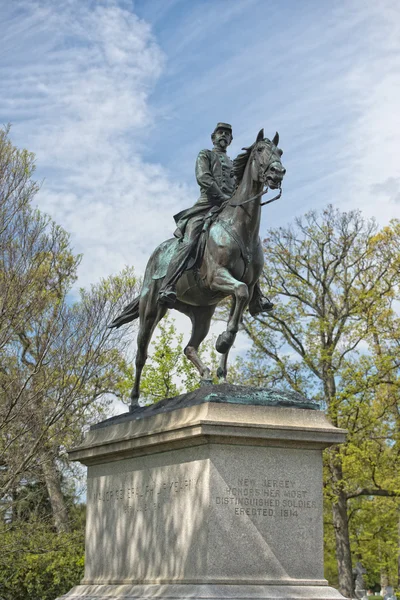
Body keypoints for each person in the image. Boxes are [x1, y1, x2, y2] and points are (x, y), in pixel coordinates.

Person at [158, 122, 273, 315]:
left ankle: (256, 298)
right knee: (190, 238)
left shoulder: (232, 162)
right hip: (206, 206)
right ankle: (168, 285)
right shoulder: (206, 155)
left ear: (230, 140)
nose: (224, 136)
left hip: (228, 209)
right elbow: (203, 178)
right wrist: (222, 196)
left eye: (227, 134)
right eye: (220, 133)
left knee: (248, 244)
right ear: (213, 137)